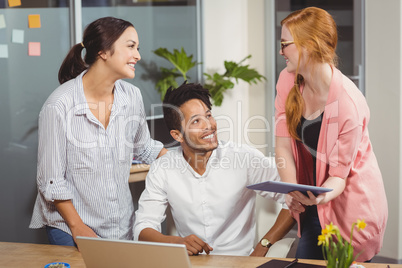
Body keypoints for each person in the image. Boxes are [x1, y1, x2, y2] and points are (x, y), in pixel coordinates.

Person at [29, 16, 167, 247]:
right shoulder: (59, 105)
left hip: (119, 224)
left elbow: (142, 147)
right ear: (103, 51)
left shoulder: (132, 96)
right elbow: (51, 181)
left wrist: (186, 159)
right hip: (69, 225)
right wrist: (78, 227)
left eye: (138, 48)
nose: (138, 56)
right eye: (131, 47)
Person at [274, 7, 388, 262]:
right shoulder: (286, 81)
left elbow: (338, 177)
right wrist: (293, 190)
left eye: (285, 44)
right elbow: (282, 147)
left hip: (350, 211)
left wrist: (314, 196)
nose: (280, 52)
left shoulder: (348, 102)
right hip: (313, 203)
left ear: (309, 45)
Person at [134, 82, 295, 256]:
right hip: (191, 263)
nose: (209, 125)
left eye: (208, 115)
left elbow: (293, 197)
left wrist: (263, 246)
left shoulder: (243, 158)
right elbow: (143, 227)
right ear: (177, 135)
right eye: (196, 121)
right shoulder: (162, 169)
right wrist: (177, 242)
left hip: (239, 261)